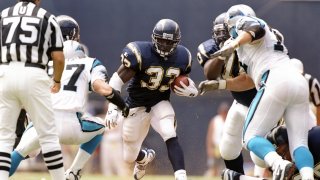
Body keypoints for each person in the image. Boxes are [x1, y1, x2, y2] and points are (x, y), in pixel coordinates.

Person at [9, 15, 129, 180]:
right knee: (100, 127)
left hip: (42, 122)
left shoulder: (40, 61)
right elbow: (103, 88)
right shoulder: (90, 62)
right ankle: (74, 171)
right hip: (72, 126)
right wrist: (122, 105)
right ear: (76, 37)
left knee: (18, 153)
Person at [206, 4, 315, 180]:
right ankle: (308, 177)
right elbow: (248, 81)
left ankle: (279, 164)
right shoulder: (254, 45)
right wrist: (220, 85)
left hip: (274, 79)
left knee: (249, 137)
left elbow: (255, 28)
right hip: (297, 82)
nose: (229, 31)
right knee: (300, 145)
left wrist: (233, 43)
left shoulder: (248, 25)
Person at [105, 18, 198, 180]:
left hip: (159, 102)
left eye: (169, 42)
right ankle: (143, 158)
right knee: (129, 156)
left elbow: (182, 80)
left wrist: (191, 90)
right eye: (161, 41)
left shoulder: (183, 56)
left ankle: (181, 176)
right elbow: (116, 80)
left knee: (170, 132)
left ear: (177, 42)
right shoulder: (141, 53)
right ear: (154, 38)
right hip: (135, 105)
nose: (165, 46)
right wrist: (112, 108)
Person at [0, 0, 65, 179]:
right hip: (34, 73)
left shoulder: (4, 15)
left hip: (5, 72)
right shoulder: (47, 17)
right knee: (48, 136)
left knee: (4, 138)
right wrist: (57, 80)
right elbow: (58, 58)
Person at [196, 8, 257, 176]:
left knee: (259, 154)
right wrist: (222, 55)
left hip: (260, 101)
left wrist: (220, 85)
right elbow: (209, 74)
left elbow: (249, 81)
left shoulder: (249, 47)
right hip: (239, 102)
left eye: (226, 31)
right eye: (219, 32)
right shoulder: (210, 48)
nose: (222, 36)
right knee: (227, 150)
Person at [223, 125, 320, 180]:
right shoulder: (287, 169)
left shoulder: (315, 138)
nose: (285, 159)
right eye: (280, 157)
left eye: (283, 152)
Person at [205, 102, 230, 176]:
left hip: (227, 148)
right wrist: (209, 148)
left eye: (225, 111)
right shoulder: (215, 120)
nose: (224, 113)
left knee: (225, 168)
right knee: (213, 167)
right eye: (223, 111)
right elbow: (210, 136)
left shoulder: (230, 120)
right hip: (216, 148)